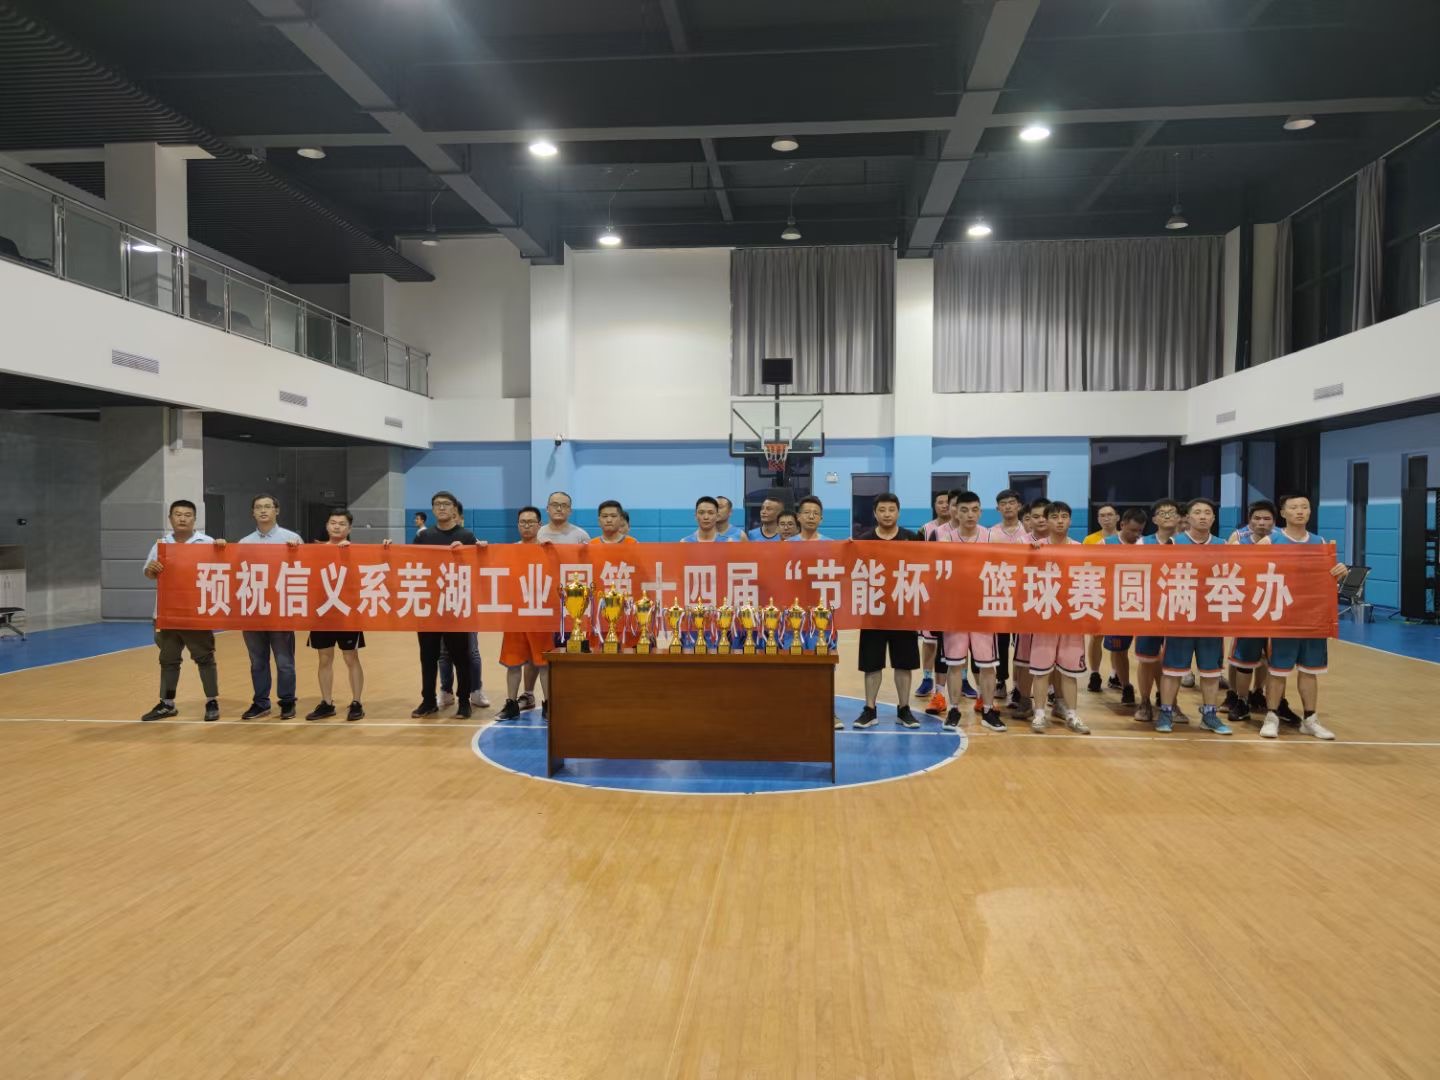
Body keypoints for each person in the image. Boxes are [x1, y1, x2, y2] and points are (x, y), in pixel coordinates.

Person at [1256, 494, 1347, 740]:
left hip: (1311, 617)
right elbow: (1252, 573)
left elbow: (1327, 579)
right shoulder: (1270, 541)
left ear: (1310, 512)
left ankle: (1310, 719)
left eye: (1304, 507)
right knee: (1278, 669)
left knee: (1310, 670)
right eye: (1294, 507)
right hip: (1282, 616)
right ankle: (1271, 716)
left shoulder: (1321, 542)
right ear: (1283, 513)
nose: (1300, 511)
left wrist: (1339, 572)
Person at [385, 490, 481, 719]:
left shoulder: (466, 536)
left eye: (446, 504)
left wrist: (473, 550)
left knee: (461, 657)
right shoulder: (423, 536)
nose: (442, 507)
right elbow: (409, 563)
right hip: (428, 606)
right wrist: (389, 549)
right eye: (437, 504)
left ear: (454, 509)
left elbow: (479, 565)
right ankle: (428, 700)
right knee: (428, 656)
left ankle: (464, 701)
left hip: (455, 605)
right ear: (433, 509)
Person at [1155, 498, 1231, 735]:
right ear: (1187, 518)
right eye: (1197, 512)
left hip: (1211, 617)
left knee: (1211, 671)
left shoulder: (1223, 545)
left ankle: (1210, 715)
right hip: (1181, 614)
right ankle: (1166, 712)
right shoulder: (1173, 543)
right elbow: (1159, 575)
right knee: (1172, 670)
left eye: (1207, 512)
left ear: (1214, 518)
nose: (1203, 516)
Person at [140, 500, 221, 722]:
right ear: (170, 518)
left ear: (194, 519)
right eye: (177, 514)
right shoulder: (161, 545)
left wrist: (223, 549)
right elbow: (148, 573)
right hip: (167, 614)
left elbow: (224, 568)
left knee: (205, 658)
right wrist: (151, 569)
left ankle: (211, 700)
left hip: (196, 614)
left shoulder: (208, 543)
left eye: (187, 515)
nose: (182, 518)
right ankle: (167, 703)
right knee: (168, 660)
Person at [935, 491, 1005, 732]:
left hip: (984, 610)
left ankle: (988, 710)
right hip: (955, 611)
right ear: (956, 512)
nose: (970, 515)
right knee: (955, 664)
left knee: (987, 664)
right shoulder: (945, 540)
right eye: (964, 510)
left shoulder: (992, 537)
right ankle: (954, 709)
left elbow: (1013, 562)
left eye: (974, 510)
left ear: (980, 512)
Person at [851, 493, 921, 730]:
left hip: (903, 610)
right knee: (871, 664)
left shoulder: (912, 539)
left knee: (904, 663)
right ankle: (870, 709)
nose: (887, 514)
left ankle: (904, 709)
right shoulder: (863, 540)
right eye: (882, 510)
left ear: (898, 512)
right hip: (874, 611)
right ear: (875, 513)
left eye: (891, 509)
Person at [233, 494, 301, 720]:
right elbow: (235, 574)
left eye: (268, 506)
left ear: (276, 510)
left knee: (284, 662)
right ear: (252, 512)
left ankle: (287, 701)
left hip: (281, 611)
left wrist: (296, 553)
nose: (263, 510)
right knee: (257, 662)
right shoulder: (244, 543)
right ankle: (261, 703)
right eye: (258, 507)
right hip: (253, 610)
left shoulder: (292, 539)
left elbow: (304, 572)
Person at [1026, 501, 1090, 734]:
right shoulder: (1036, 548)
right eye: (1055, 517)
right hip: (1044, 616)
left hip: (1072, 618)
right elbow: (1024, 578)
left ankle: (1072, 714)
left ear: (1070, 520)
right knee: (1041, 670)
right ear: (1047, 521)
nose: (1060, 521)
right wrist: (1031, 557)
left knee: (1070, 671)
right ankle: (1039, 714)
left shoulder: (1080, 548)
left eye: (1064, 516)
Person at [1225, 500, 1286, 725]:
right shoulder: (1238, 538)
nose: (1261, 523)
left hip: (1273, 602)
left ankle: (1259, 692)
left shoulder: (1282, 538)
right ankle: (1235, 696)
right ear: (1249, 520)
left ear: (1274, 521)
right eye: (1257, 518)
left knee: (1267, 655)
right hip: (1246, 604)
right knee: (1240, 655)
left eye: (1266, 519)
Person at [305, 508, 366, 722]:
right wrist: (293, 548)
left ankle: (356, 702)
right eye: (333, 522)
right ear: (327, 526)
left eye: (341, 523)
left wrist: (385, 547)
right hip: (322, 612)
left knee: (351, 656)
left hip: (347, 613)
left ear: (349, 528)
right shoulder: (315, 551)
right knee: (324, 658)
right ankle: (327, 702)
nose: (337, 526)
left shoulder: (357, 551)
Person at [497, 506, 556, 721]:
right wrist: (480, 548)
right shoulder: (508, 551)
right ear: (517, 525)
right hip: (515, 615)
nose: (527, 526)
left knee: (543, 662)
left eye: (531, 522)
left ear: (539, 525)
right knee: (513, 661)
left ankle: (549, 704)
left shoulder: (548, 550)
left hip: (540, 614)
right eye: (523, 522)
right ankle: (511, 703)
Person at [1132, 497, 1181, 726]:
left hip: (1179, 607)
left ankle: (1171, 703)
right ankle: (1144, 702)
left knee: (1174, 660)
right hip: (1150, 609)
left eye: (1172, 512)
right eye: (1163, 513)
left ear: (1179, 518)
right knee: (1146, 659)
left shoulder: (1185, 543)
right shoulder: (1143, 543)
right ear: (1154, 519)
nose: (1168, 516)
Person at [1100, 508, 1147, 706]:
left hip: (1143, 604)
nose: (1136, 535)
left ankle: (1152, 694)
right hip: (1117, 605)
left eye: (1140, 531)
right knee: (1119, 650)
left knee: (1148, 653)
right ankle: (1126, 685)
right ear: (1122, 525)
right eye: (1133, 530)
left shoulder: (1146, 545)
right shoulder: (1105, 544)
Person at [986, 488, 1029, 705]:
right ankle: (1001, 680)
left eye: (1012, 502)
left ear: (1019, 506)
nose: (1008, 507)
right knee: (1001, 640)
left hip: (1024, 593)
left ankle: (1020, 687)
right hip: (1000, 592)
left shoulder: (1028, 531)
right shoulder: (990, 533)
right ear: (998, 508)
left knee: (1021, 642)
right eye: (1003, 504)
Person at [1084, 504, 1120, 691]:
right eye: (1102, 515)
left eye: (1110, 515)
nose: (1106, 518)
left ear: (1117, 517)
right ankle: (1095, 673)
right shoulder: (1090, 540)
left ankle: (1115, 674)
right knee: (1096, 635)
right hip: (1098, 592)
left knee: (1118, 637)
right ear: (1098, 519)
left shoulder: (1126, 539)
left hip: (1120, 593)